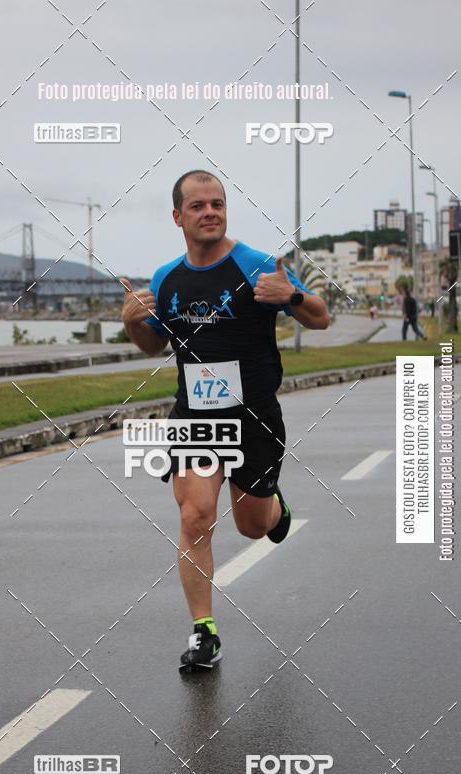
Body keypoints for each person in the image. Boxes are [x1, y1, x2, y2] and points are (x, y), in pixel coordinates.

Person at [121, 169, 330, 672]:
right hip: (194, 416)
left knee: (252, 526)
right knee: (194, 517)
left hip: (254, 416)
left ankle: (273, 507)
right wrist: (132, 323)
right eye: (198, 205)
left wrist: (293, 298)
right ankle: (204, 632)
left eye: (217, 203)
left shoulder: (258, 265)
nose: (210, 211)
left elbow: (321, 317)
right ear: (178, 216)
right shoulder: (166, 278)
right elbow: (155, 345)